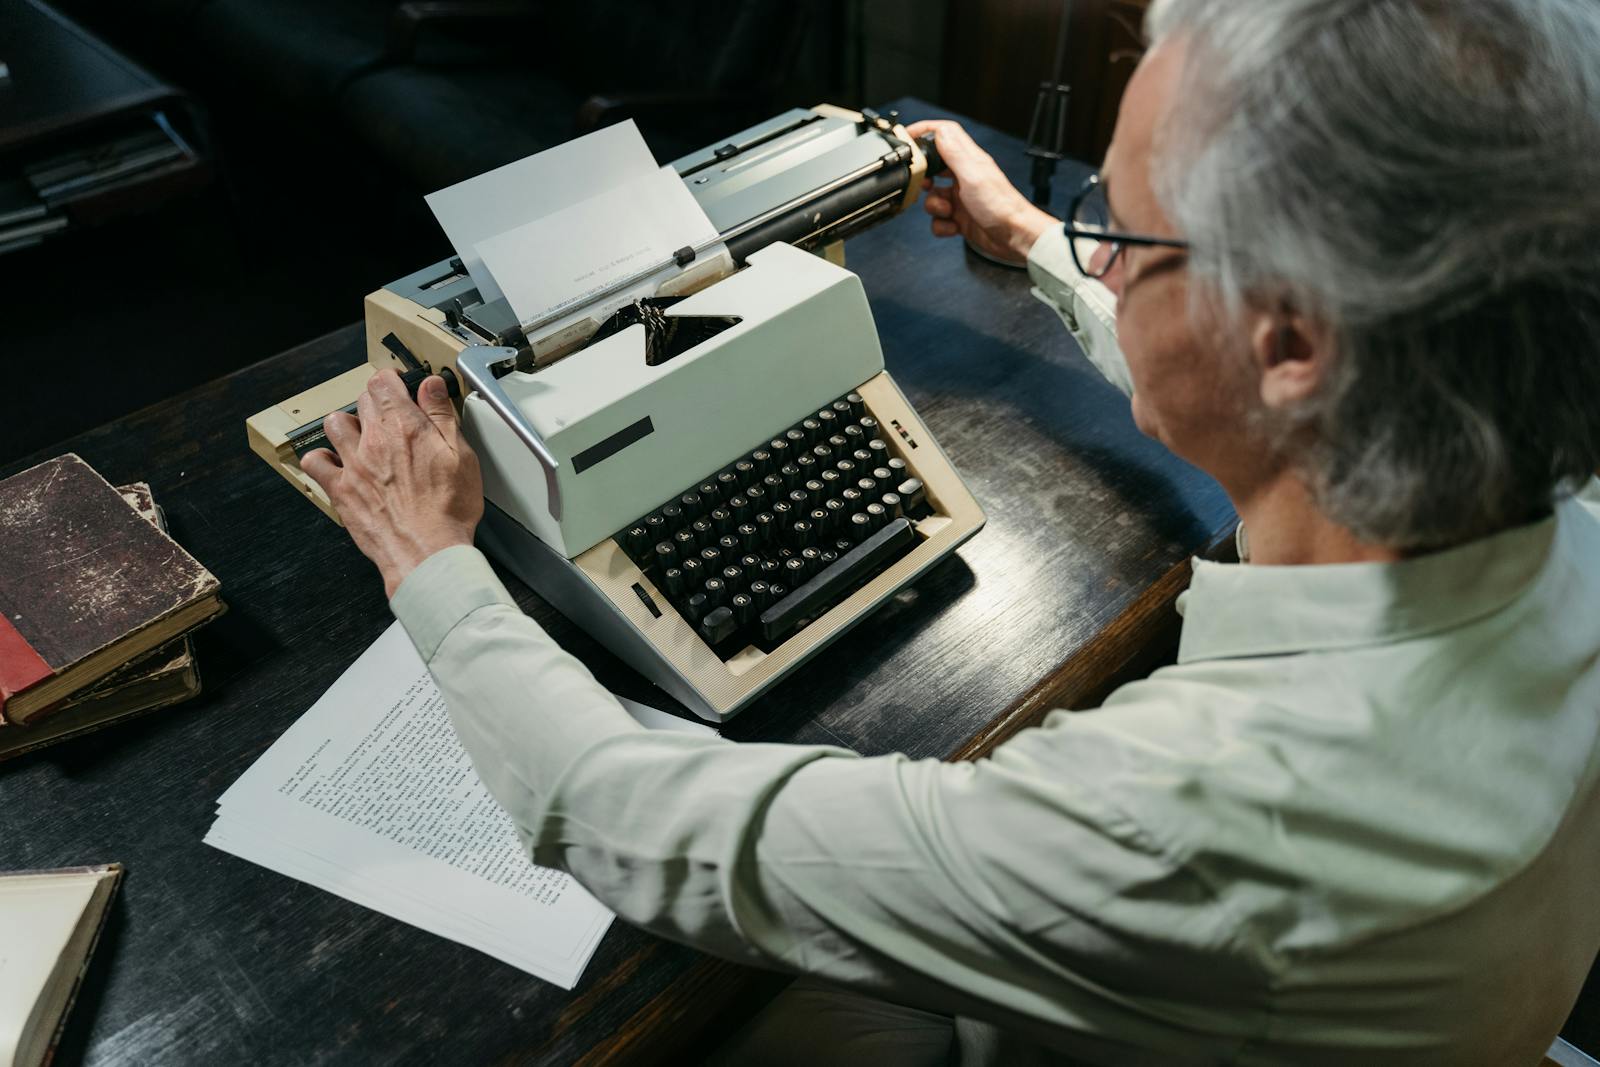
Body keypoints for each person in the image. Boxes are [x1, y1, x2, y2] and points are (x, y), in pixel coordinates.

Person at [301, 0, 1600, 1061]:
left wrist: (435, 563)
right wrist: (1038, 241)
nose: (1098, 253)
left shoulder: (1187, 822)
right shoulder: (1558, 522)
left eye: (1120, 222)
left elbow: (624, 814)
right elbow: (1251, 380)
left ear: (1295, 340)